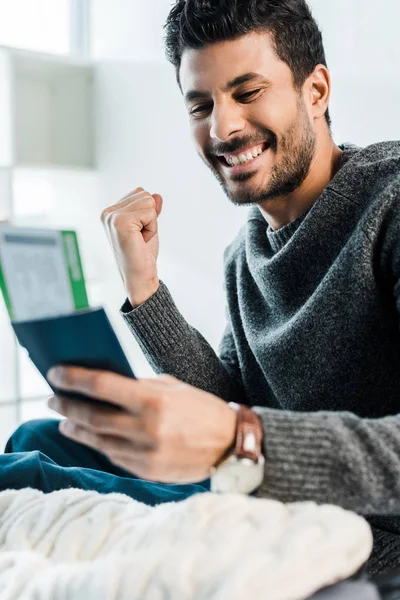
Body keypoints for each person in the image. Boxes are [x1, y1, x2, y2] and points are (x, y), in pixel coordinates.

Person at [3, 0, 400, 588]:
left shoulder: (390, 206)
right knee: (42, 438)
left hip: (370, 538)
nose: (223, 128)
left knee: (27, 475)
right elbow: (228, 401)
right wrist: (145, 289)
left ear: (315, 90)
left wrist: (242, 440)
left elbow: (233, 429)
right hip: (269, 497)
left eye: (247, 92)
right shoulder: (246, 255)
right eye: (201, 104)